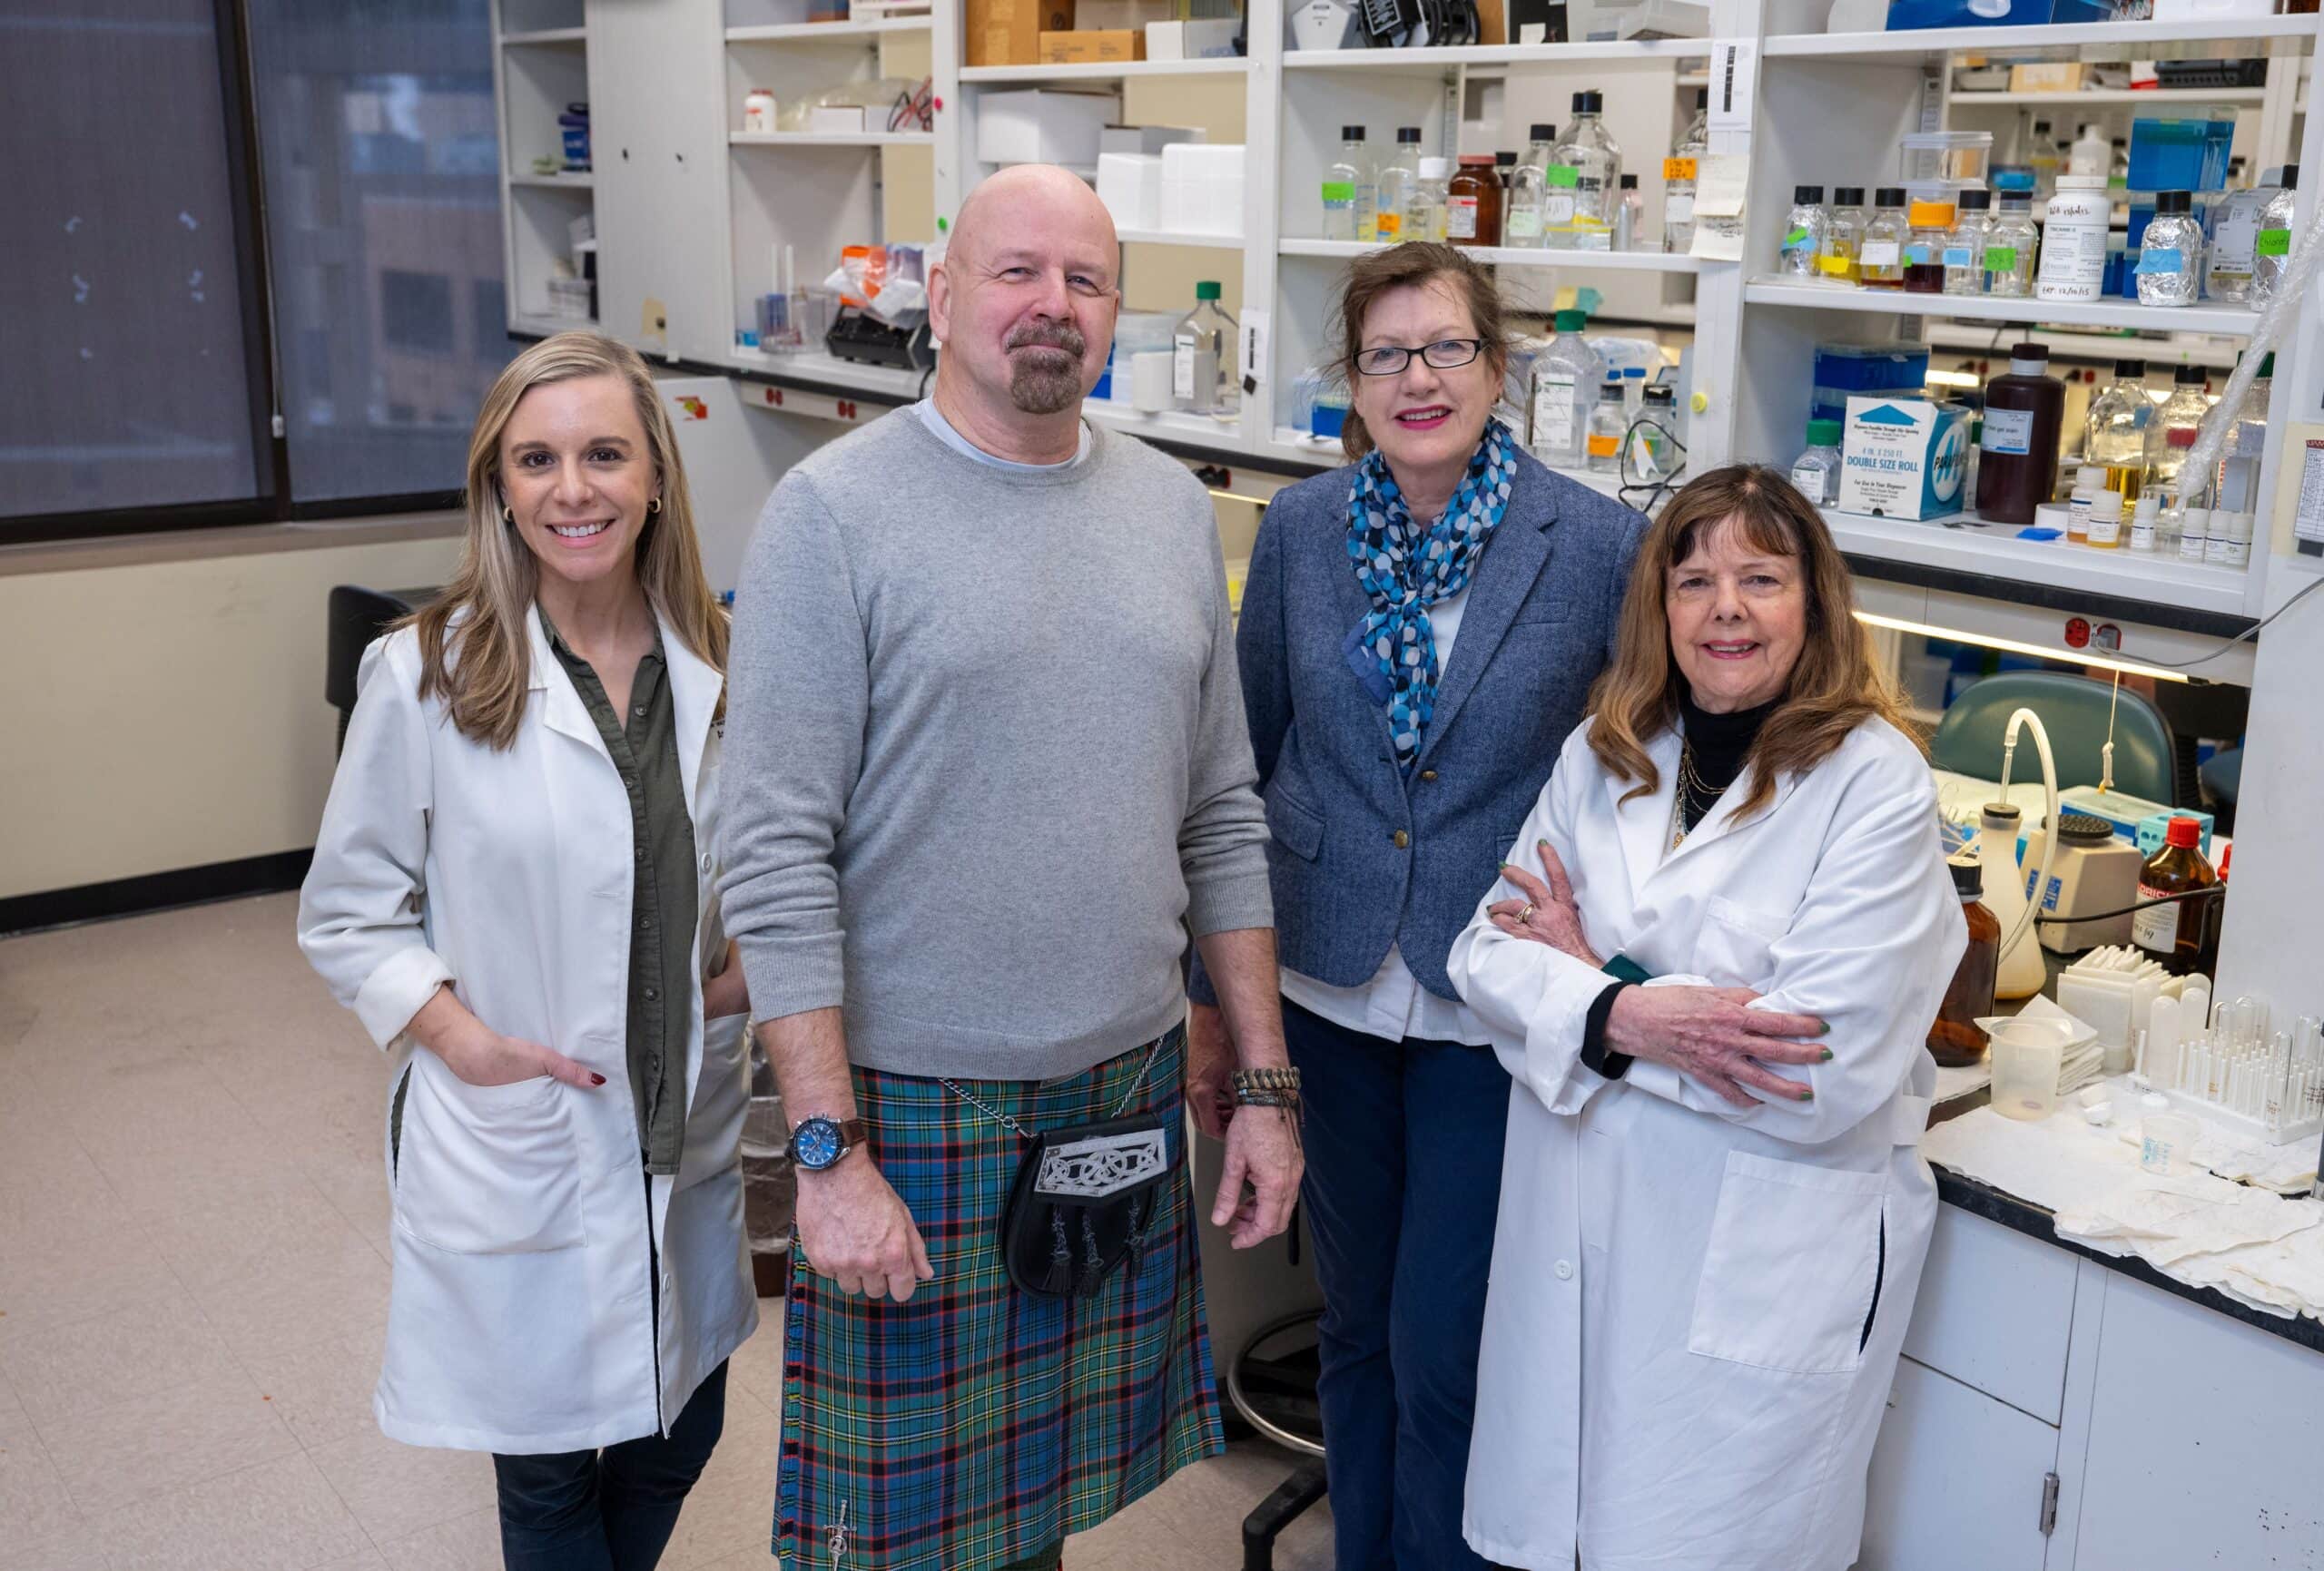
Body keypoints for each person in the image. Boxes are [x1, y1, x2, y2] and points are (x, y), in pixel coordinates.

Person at [719, 163, 1304, 1571]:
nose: (1053, 305)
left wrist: (1267, 1082)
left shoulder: (1171, 510)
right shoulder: (830, 514)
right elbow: (775, 847)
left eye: (1086, 280)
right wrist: (826, 1150)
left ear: (1115, 313)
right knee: (902, 1543)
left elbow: (1219, 812)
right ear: (941, 296)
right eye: (1017, 271)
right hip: (916, 1108)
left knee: (1030, 1524)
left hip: (1120, 1084)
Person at [1187, 241, 1643, 1571]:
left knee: (1447, 1343)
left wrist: (1604, 950)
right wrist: (1218, 1005)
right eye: (1387, 354)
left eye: (1446, 348)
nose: (1418, 377)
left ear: (1497, 369)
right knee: (1357, 1323)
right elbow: (1243, 766)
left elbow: (1633, 771)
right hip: (1326, 980)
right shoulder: (1301, 532)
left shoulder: (1597, 545)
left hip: (1488, 997)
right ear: (1354, 384)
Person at [1449, 465, 1966, 1571]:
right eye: (1693, 581)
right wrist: (1640, 1015)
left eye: (1759, 579)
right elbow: (1484, 955)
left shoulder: (1874, 787)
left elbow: (1811, 1071)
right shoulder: (1607, 751)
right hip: (1578, 1238)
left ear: (1814, 604)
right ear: (1660, 609)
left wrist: (1592, 991)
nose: (1724, 608)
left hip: (1753, 1268)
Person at [298, 331, 755, 1571]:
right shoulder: (427, 672)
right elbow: (348, 908)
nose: (574, 488)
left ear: (656, 471)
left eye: (605, 453)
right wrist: (461, 1039)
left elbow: (776, 863)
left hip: (682, 1118)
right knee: (549, 1462)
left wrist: (747, 971)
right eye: (538, 458)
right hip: (523, 1122)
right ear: (498, 484)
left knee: (683, 1418)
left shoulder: (725, 663)